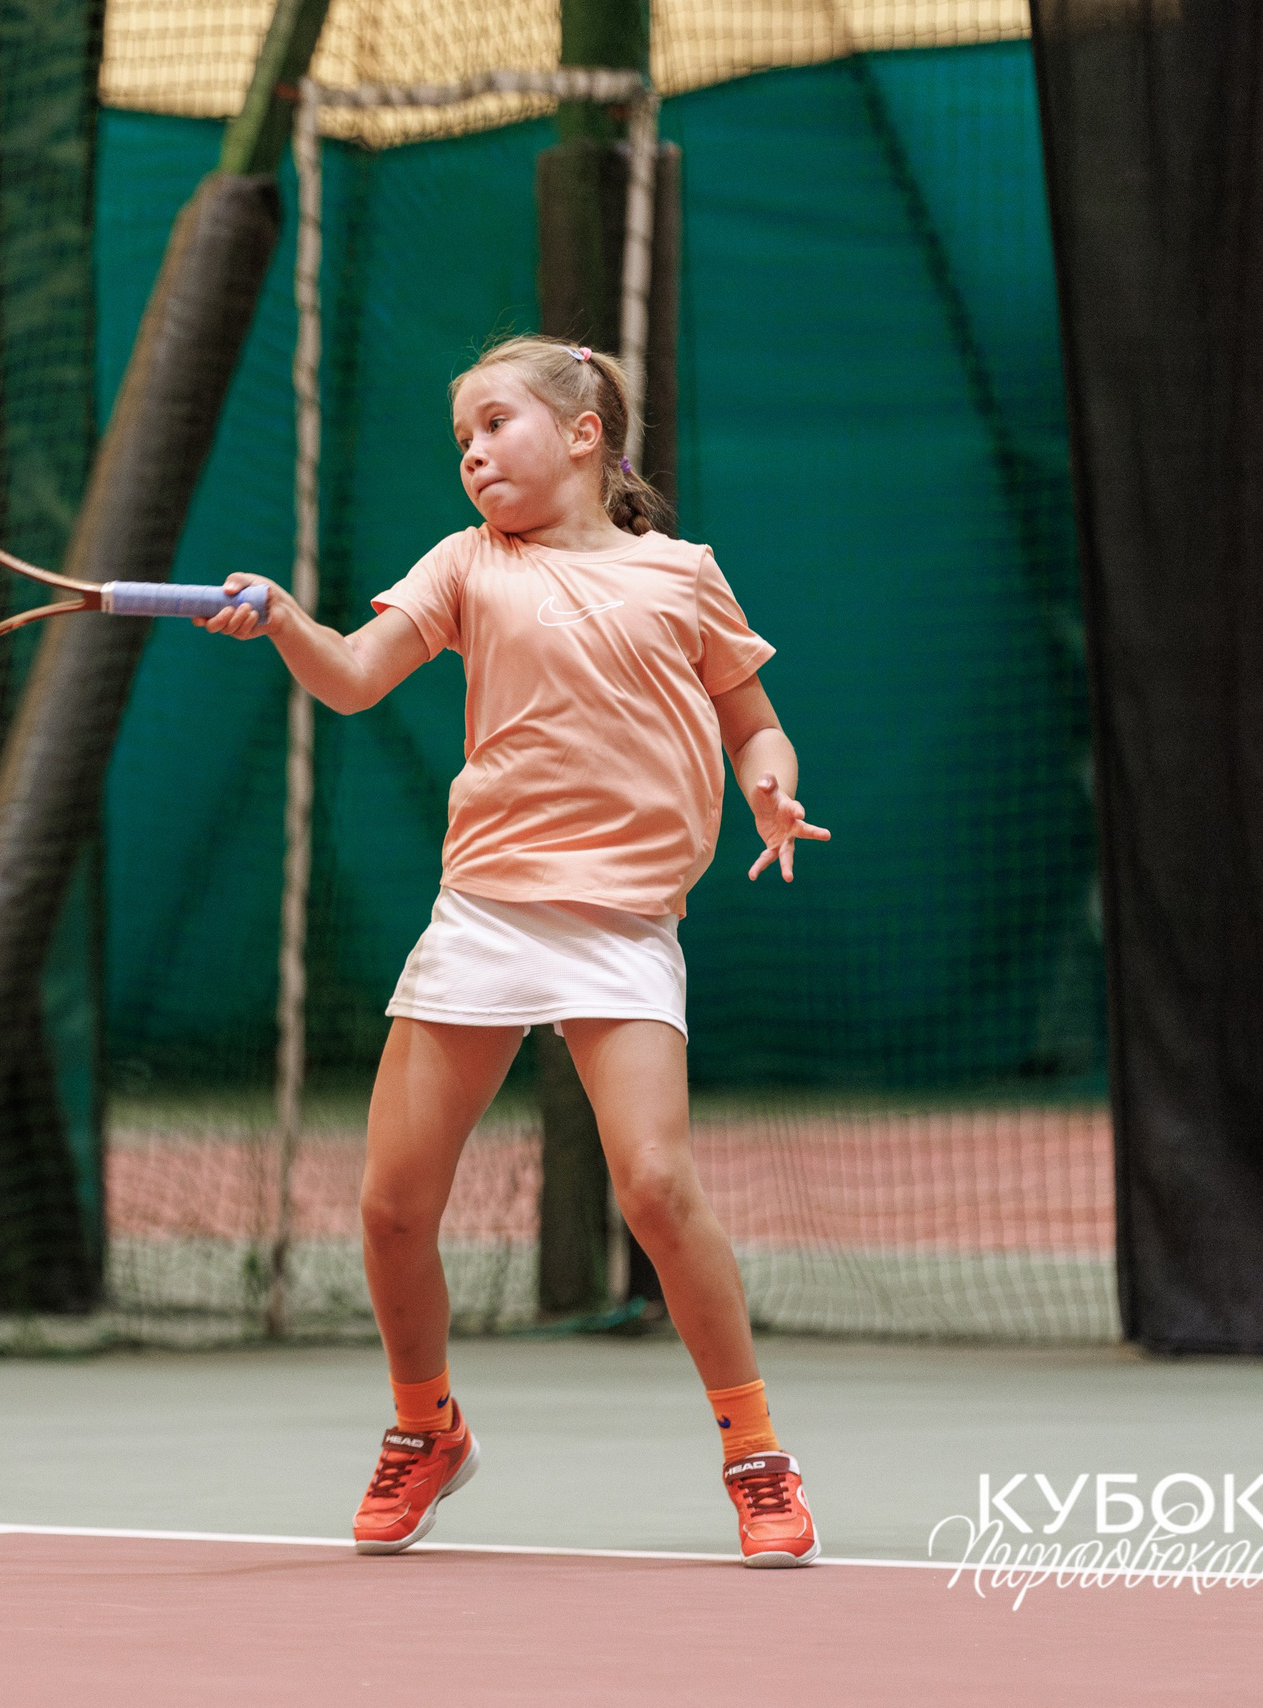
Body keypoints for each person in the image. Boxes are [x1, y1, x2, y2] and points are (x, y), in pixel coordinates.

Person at [196, 333, 830, 1567]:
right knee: (389, 1206)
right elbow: (352, 678)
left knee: (653, 1186)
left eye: (494, 424)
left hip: (623, 923)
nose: (474, 454)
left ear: (584, 434)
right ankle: (425, 1427)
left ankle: (755, 1451)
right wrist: (281, 617)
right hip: (486, 910)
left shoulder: (682, 576)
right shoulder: (464, 566)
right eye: (460, 442)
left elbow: (754, 722)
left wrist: (770, 788)